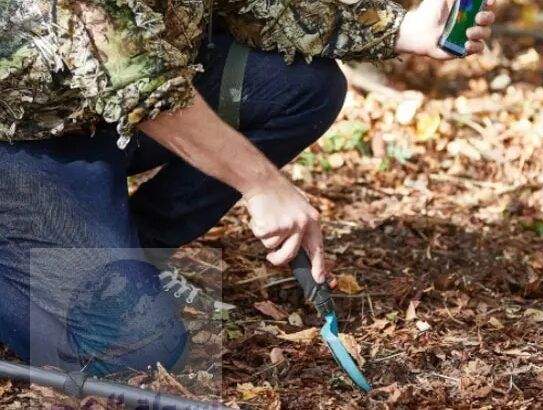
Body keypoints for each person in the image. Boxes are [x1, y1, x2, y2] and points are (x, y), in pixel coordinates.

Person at [0, 0, 495, 376]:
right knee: (135, 351)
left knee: (304, 87)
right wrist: (260, 183)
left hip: (104, 112)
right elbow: (141, 83)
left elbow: (254, 6)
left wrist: (400, 29)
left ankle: (133, 254)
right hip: (26, 138)